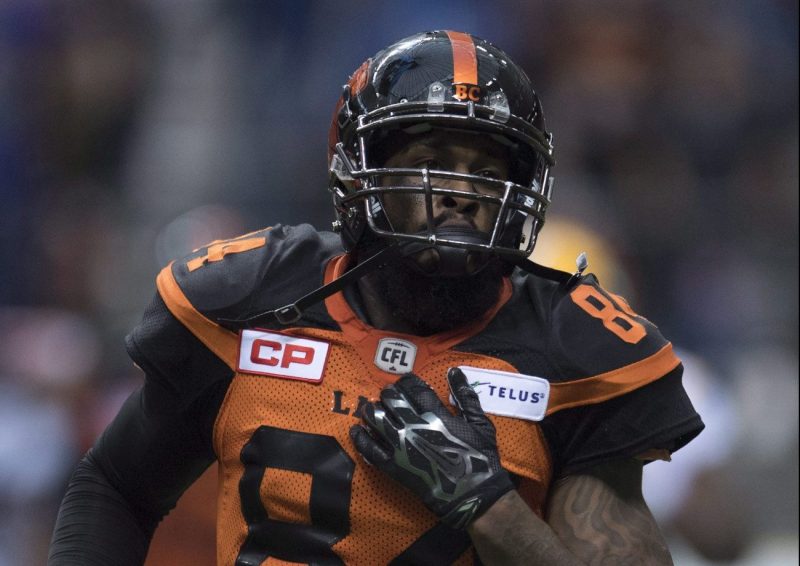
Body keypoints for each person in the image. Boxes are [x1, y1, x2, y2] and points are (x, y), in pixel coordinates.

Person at [48, 30, 703, 565]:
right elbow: (115, 487)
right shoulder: (249, 297)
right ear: (360, 173)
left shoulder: (576, 349)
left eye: (487, 172)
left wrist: (489, 506)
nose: (460, 192)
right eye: (435, 159)